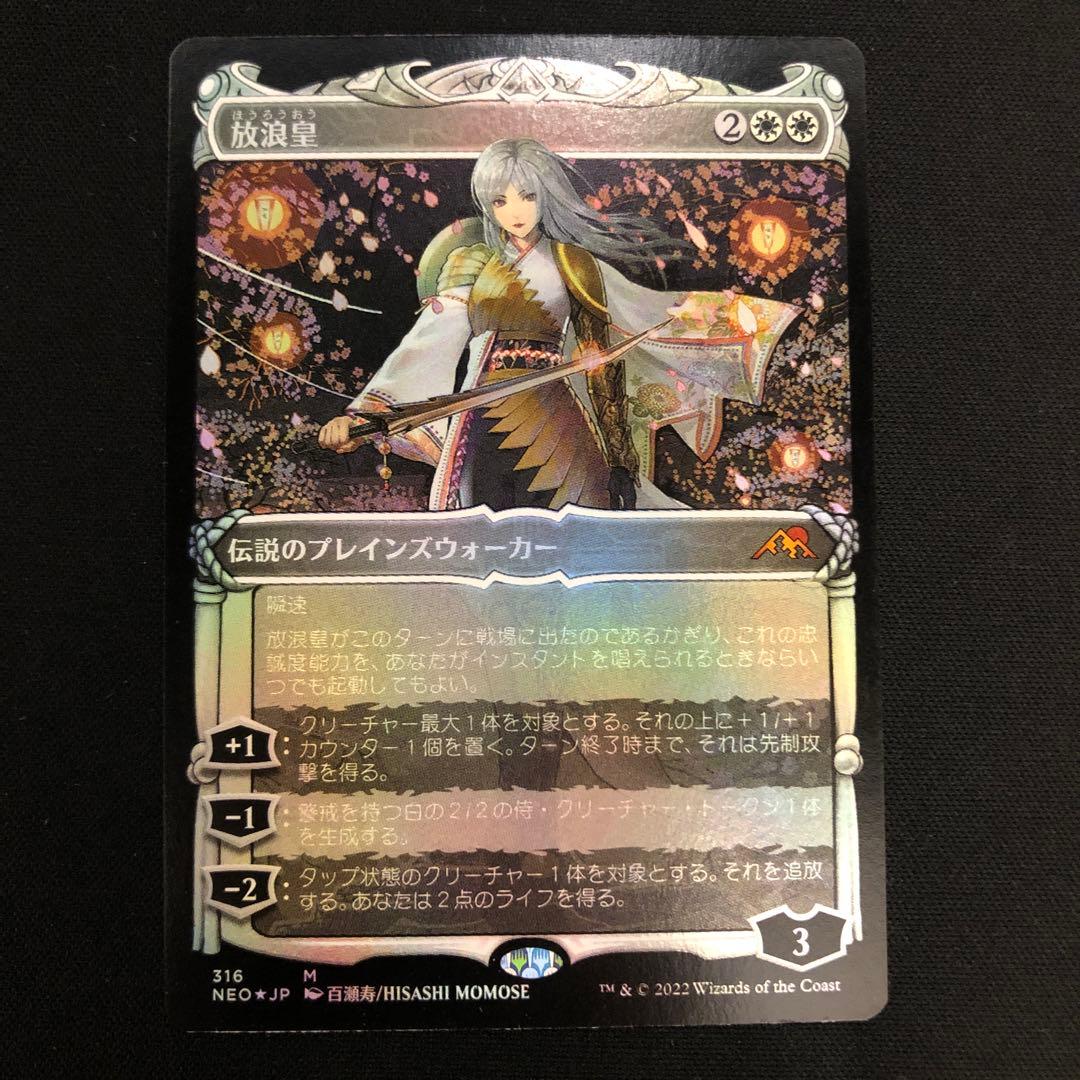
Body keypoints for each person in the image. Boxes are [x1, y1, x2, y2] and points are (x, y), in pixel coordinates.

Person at [319, 138, 798, 511]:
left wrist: (620, 457)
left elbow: (602, 362)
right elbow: (431, 340)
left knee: (578, 524)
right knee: (478, 524)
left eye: (527, 196)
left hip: (554, 412)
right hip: (480, 417)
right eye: (500, 200)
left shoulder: (572, 261)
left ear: (545, 196)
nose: (515, 211)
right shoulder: (471, 262)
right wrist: (363, 416)